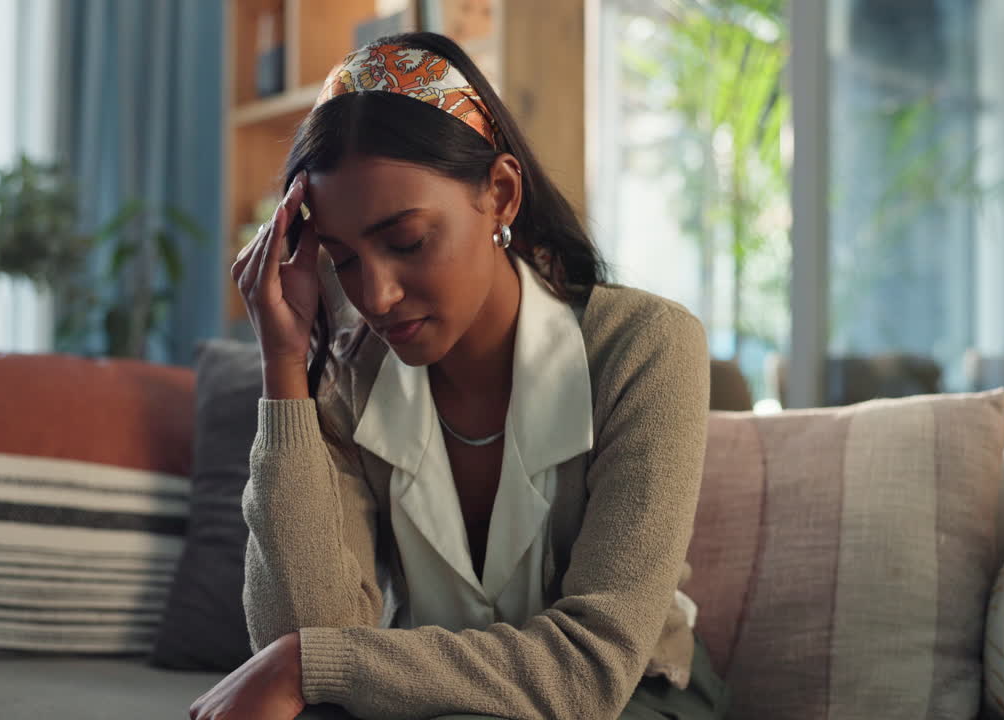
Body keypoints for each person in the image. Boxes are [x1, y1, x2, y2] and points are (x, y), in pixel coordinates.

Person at [190, 32, 727, 720]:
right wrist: (284, 367)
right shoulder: (352, 381)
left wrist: (311, 662)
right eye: (344, 259)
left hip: (636, 700)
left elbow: (591, 671)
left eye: (407, 241)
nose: (374, 296)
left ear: (501, 194)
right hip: (435, 703)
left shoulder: (646, 346)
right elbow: (299, 638)